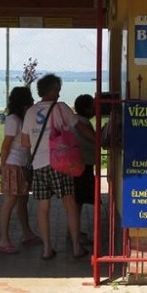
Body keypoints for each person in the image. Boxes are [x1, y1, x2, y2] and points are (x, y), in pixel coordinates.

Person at [21, 74, 95, 260]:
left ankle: (47, 249)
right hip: (60, 163)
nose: (59, 92)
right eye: (58, 89)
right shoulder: (61, 108)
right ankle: (77, 247)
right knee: (70, 203)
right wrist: (98, 140)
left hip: (39, 165)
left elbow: (24, 143)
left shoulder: (30, 112)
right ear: (52, 90)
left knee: (43, 207)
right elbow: (81, 128)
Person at [0, 86, 42, 254]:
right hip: (13, 164)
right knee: (11, 201)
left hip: (21, 164)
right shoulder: (14, 119)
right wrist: (3, 165)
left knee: (22, 200)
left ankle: (27, 233)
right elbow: (6, 145)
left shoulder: (22, 118)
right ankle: (3, 239)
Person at [71, 93, 97, 244]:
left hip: (80, 163)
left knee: (78, 200)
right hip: (82, 164)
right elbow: (95, 139)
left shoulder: (80, 121)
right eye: (93, 107)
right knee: (77, 200)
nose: (95, 109)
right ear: (86, 108)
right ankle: (74, 232)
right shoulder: (83, 123)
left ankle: (74, 230)